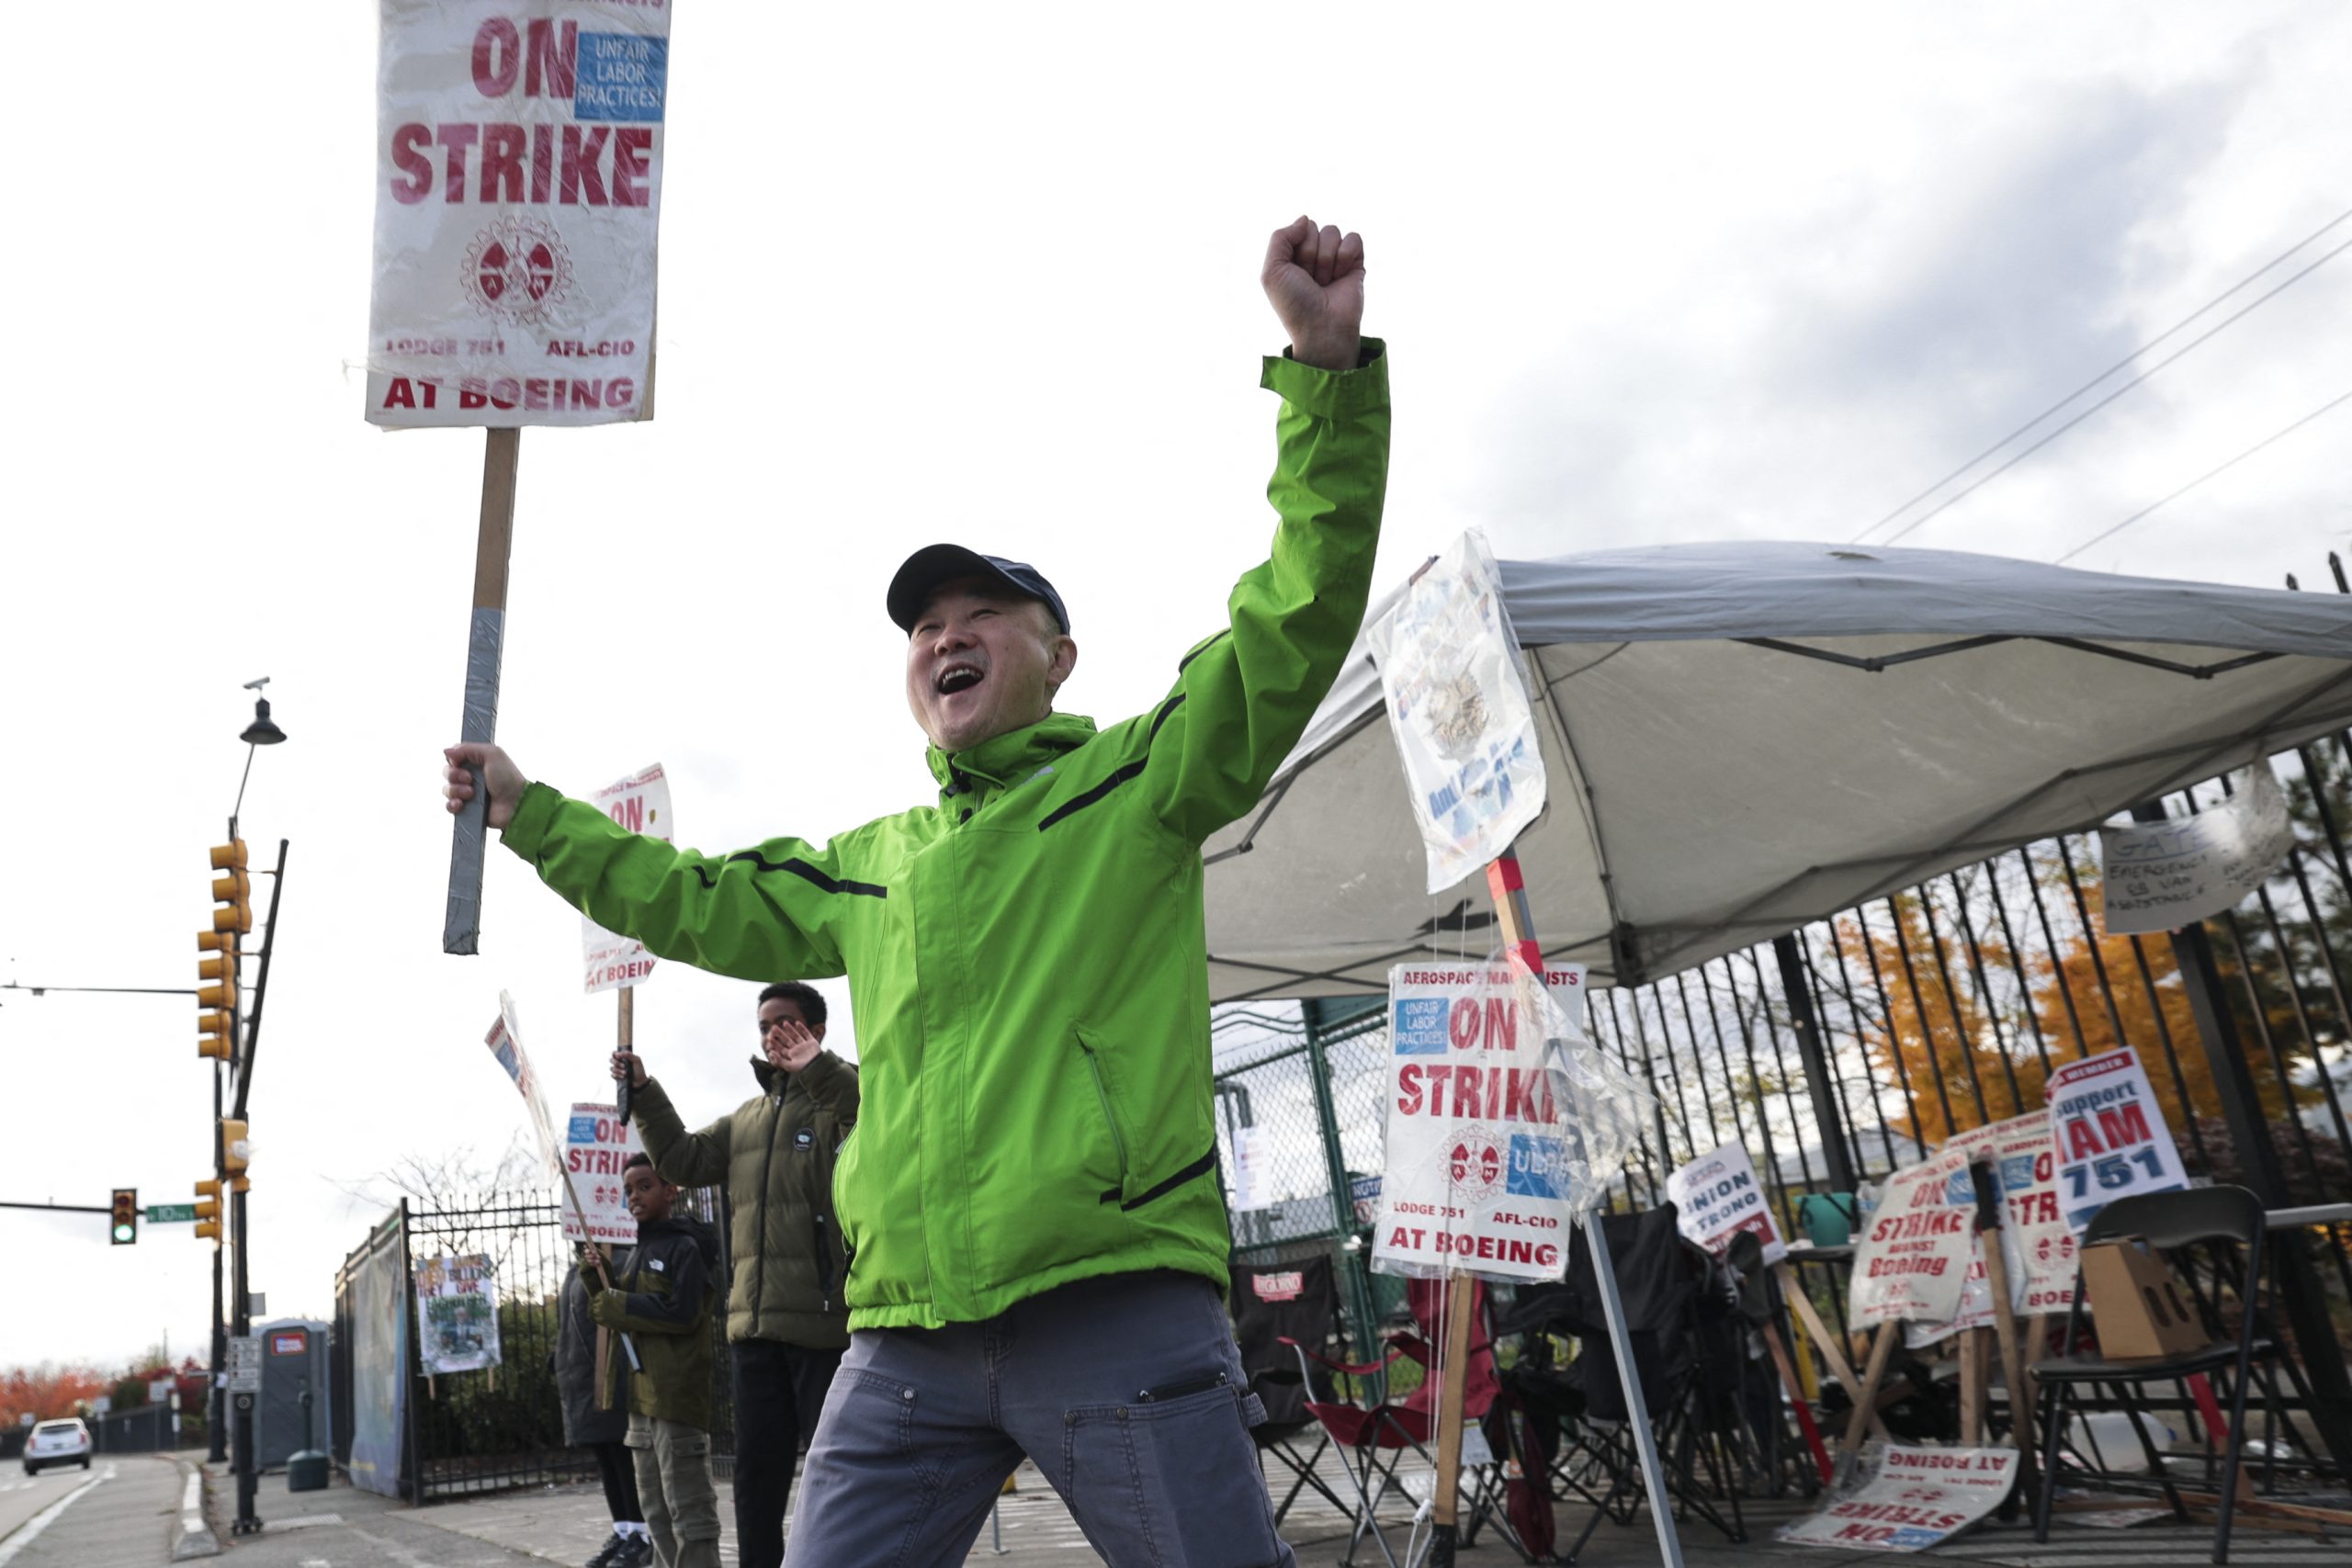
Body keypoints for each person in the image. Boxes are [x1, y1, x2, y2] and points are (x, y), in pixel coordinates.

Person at [445, 213, 1385, 1567]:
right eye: (923, 626)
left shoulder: (1141, 780)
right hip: (904, 1337)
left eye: (981, 613)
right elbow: (694, 893)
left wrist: (1327, 378)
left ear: (1058, 654)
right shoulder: (871, 861)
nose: (944, 634)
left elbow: (1294, 619)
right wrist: (532, 814)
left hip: (1111, 1300)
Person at [609, 981, 855, 1568]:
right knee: (755, 1480)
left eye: (787, 1022)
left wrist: (817, 1069)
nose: (773, 1034)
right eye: (765, 1025)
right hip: (753, 1333)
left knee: (839, 1474)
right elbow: (683, 1160)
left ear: (817, 1031)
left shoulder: (841, 1094)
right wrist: (643, 1093)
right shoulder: (746, 1119)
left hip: (824, 1329)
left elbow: (869, 1115)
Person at [582, 1156, 722, 1568]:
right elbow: (618, 1310)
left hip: (675, 1401)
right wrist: (598, 1276)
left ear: (670, 1190)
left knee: (688, 1513)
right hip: (641, 1404)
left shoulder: (686, 1246)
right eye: (628, 1190)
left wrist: (618, 1303)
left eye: (644, 1186)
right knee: (656, 1514)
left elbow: (681, 1313)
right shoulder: (640, 1249)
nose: (634, 1196)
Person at [556, 1235, 652, 1568]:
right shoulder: (574, 1270)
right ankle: (623, 1530)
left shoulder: (622, 1261)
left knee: (623, 1456)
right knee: (607, 1457)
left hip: (612, 1379)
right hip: (582, 1381)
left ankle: (642, 1534)